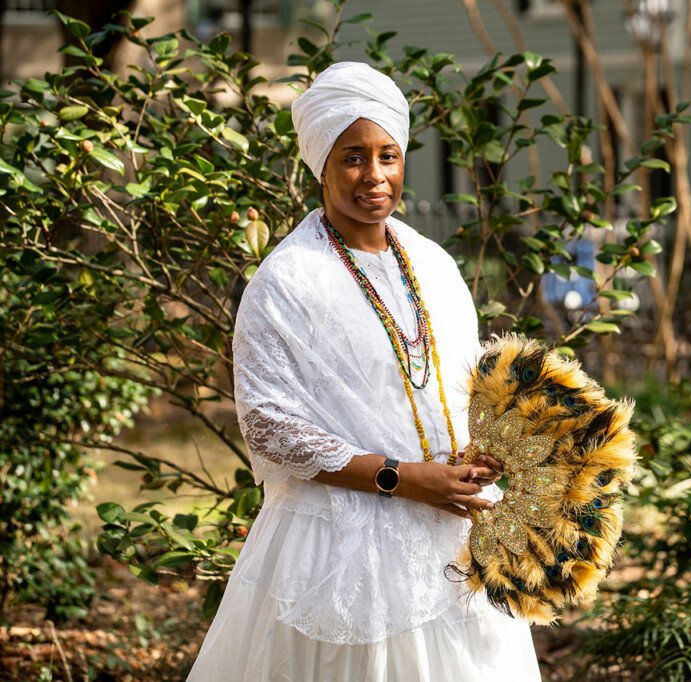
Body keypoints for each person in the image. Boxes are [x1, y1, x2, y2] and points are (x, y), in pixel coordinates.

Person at [186, 61, 542, 681]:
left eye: (387, 156)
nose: (374, 176)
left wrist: (479, 456)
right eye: (352, 158)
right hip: (340, 548)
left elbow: (461, 389)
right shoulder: (287, 281)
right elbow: (270, 427)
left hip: (456, 533)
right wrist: (403, 478)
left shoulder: (432, 263)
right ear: (320, 166)